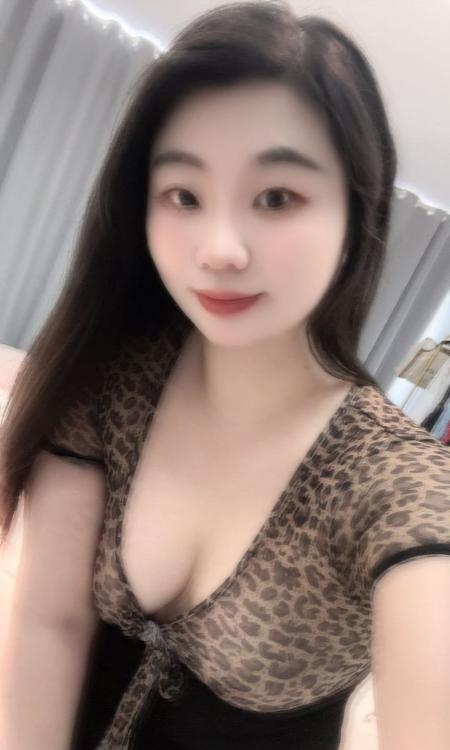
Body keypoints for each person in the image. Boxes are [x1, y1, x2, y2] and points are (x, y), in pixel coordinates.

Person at [1, 2, 450, 749]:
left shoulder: (393, 484)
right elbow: (50, 620)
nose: (219, 249)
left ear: (356, 218)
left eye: (277, 198)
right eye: (184, 195)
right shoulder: (110, 376)